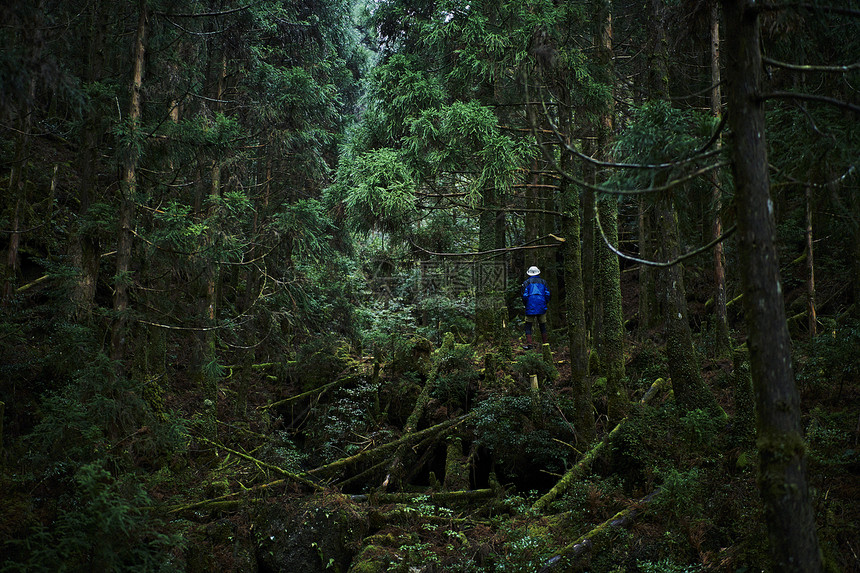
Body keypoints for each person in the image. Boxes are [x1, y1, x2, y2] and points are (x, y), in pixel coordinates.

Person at [521, 265, 550, 349]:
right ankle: (545, 345)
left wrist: (526, 304)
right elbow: (547, 294)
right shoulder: (543, 282)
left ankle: (529, 345)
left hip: (530, 307)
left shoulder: (526, 283)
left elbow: (524, 296)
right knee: (542, 325)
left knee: (528, 325)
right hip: (542, 306)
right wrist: (545, 303)